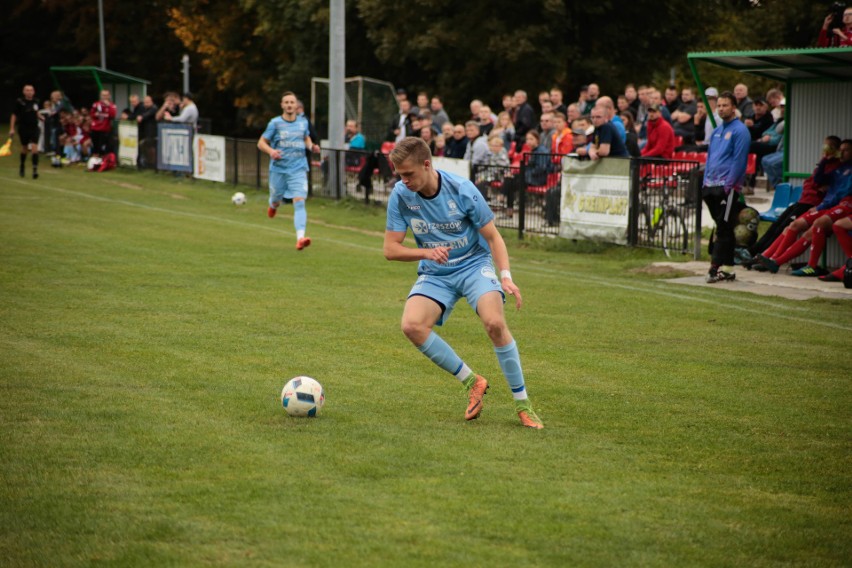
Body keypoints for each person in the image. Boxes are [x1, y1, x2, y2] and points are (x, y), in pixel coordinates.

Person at [383, 136, 544, 429]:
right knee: (412, 326)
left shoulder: (462, 190)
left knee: (495, 324)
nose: (403, 180)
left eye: (408, 173)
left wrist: (505, 276)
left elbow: (493, 237)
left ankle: (523, 405)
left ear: (427, 164)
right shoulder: (401, 195)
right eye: (400, 174)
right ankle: (473, 381)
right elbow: (391, 249)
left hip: (473, 265)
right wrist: (426, 252)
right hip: (435, 272)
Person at [756, 139, 852, 276]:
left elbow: (842, 193)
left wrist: (821, 206)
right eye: (840, 149)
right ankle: (772, 259)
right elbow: (818, 180)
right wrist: (824, 160)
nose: (841, 152)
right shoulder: (838, 168)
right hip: (825, 206)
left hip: (836, 206)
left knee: (819, 225)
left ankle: (805, 265)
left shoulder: (848, 170)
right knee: (792, 225)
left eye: (846, 150)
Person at [701, 91, 751, 283]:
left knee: (722, 227)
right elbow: (710, 158)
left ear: (733, 107)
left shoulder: (740, 131)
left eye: (725, 105)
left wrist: (728, 186)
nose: (721, 108)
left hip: (727, 188)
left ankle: (714, 268)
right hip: (710, 186)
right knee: (725, 227)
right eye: (719, 105)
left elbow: (739, 161)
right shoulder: (716, 131)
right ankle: (728, 269)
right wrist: (705, 183)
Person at [257, 91, 314, 251]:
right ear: (282, 105)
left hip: (298, 169)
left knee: (300, 202)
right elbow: (261, 142)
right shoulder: (275, 123)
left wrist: (311, 146)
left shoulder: (303, 123)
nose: (289, 105)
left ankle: (300, 238)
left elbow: (306, 138)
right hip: (279, 169)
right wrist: (271, 152)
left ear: (297, 106)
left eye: (292, 102)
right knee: (276, 197)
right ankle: (273, 205)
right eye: (286, 102)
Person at [10, 84, 42, 179]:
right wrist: (11, 128)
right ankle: (22, 165)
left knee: (34, 148)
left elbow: (36, 112)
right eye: (27, 90)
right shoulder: (20, 102)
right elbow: (14, 115)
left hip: (34, 127)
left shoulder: (36, 101)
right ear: (24, 92)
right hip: (23, 127)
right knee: (24, 148)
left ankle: (35, 170)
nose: (29, 92)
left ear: (34, 92)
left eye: (31, 90)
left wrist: (40, 116)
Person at [89, 89, 116, 157]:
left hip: (104, 129)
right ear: (101, 96)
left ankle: (103, 159)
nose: (105, 97)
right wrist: (97, 114)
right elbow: (92, 114)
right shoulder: (96, 104)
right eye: (103, 95)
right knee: (95, 146)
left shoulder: (112, 105)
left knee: (102, 147)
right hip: (95, 128)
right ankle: (95, 159)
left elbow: (113, 115)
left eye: (106, 95)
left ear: (109, 96)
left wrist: (108, 106)